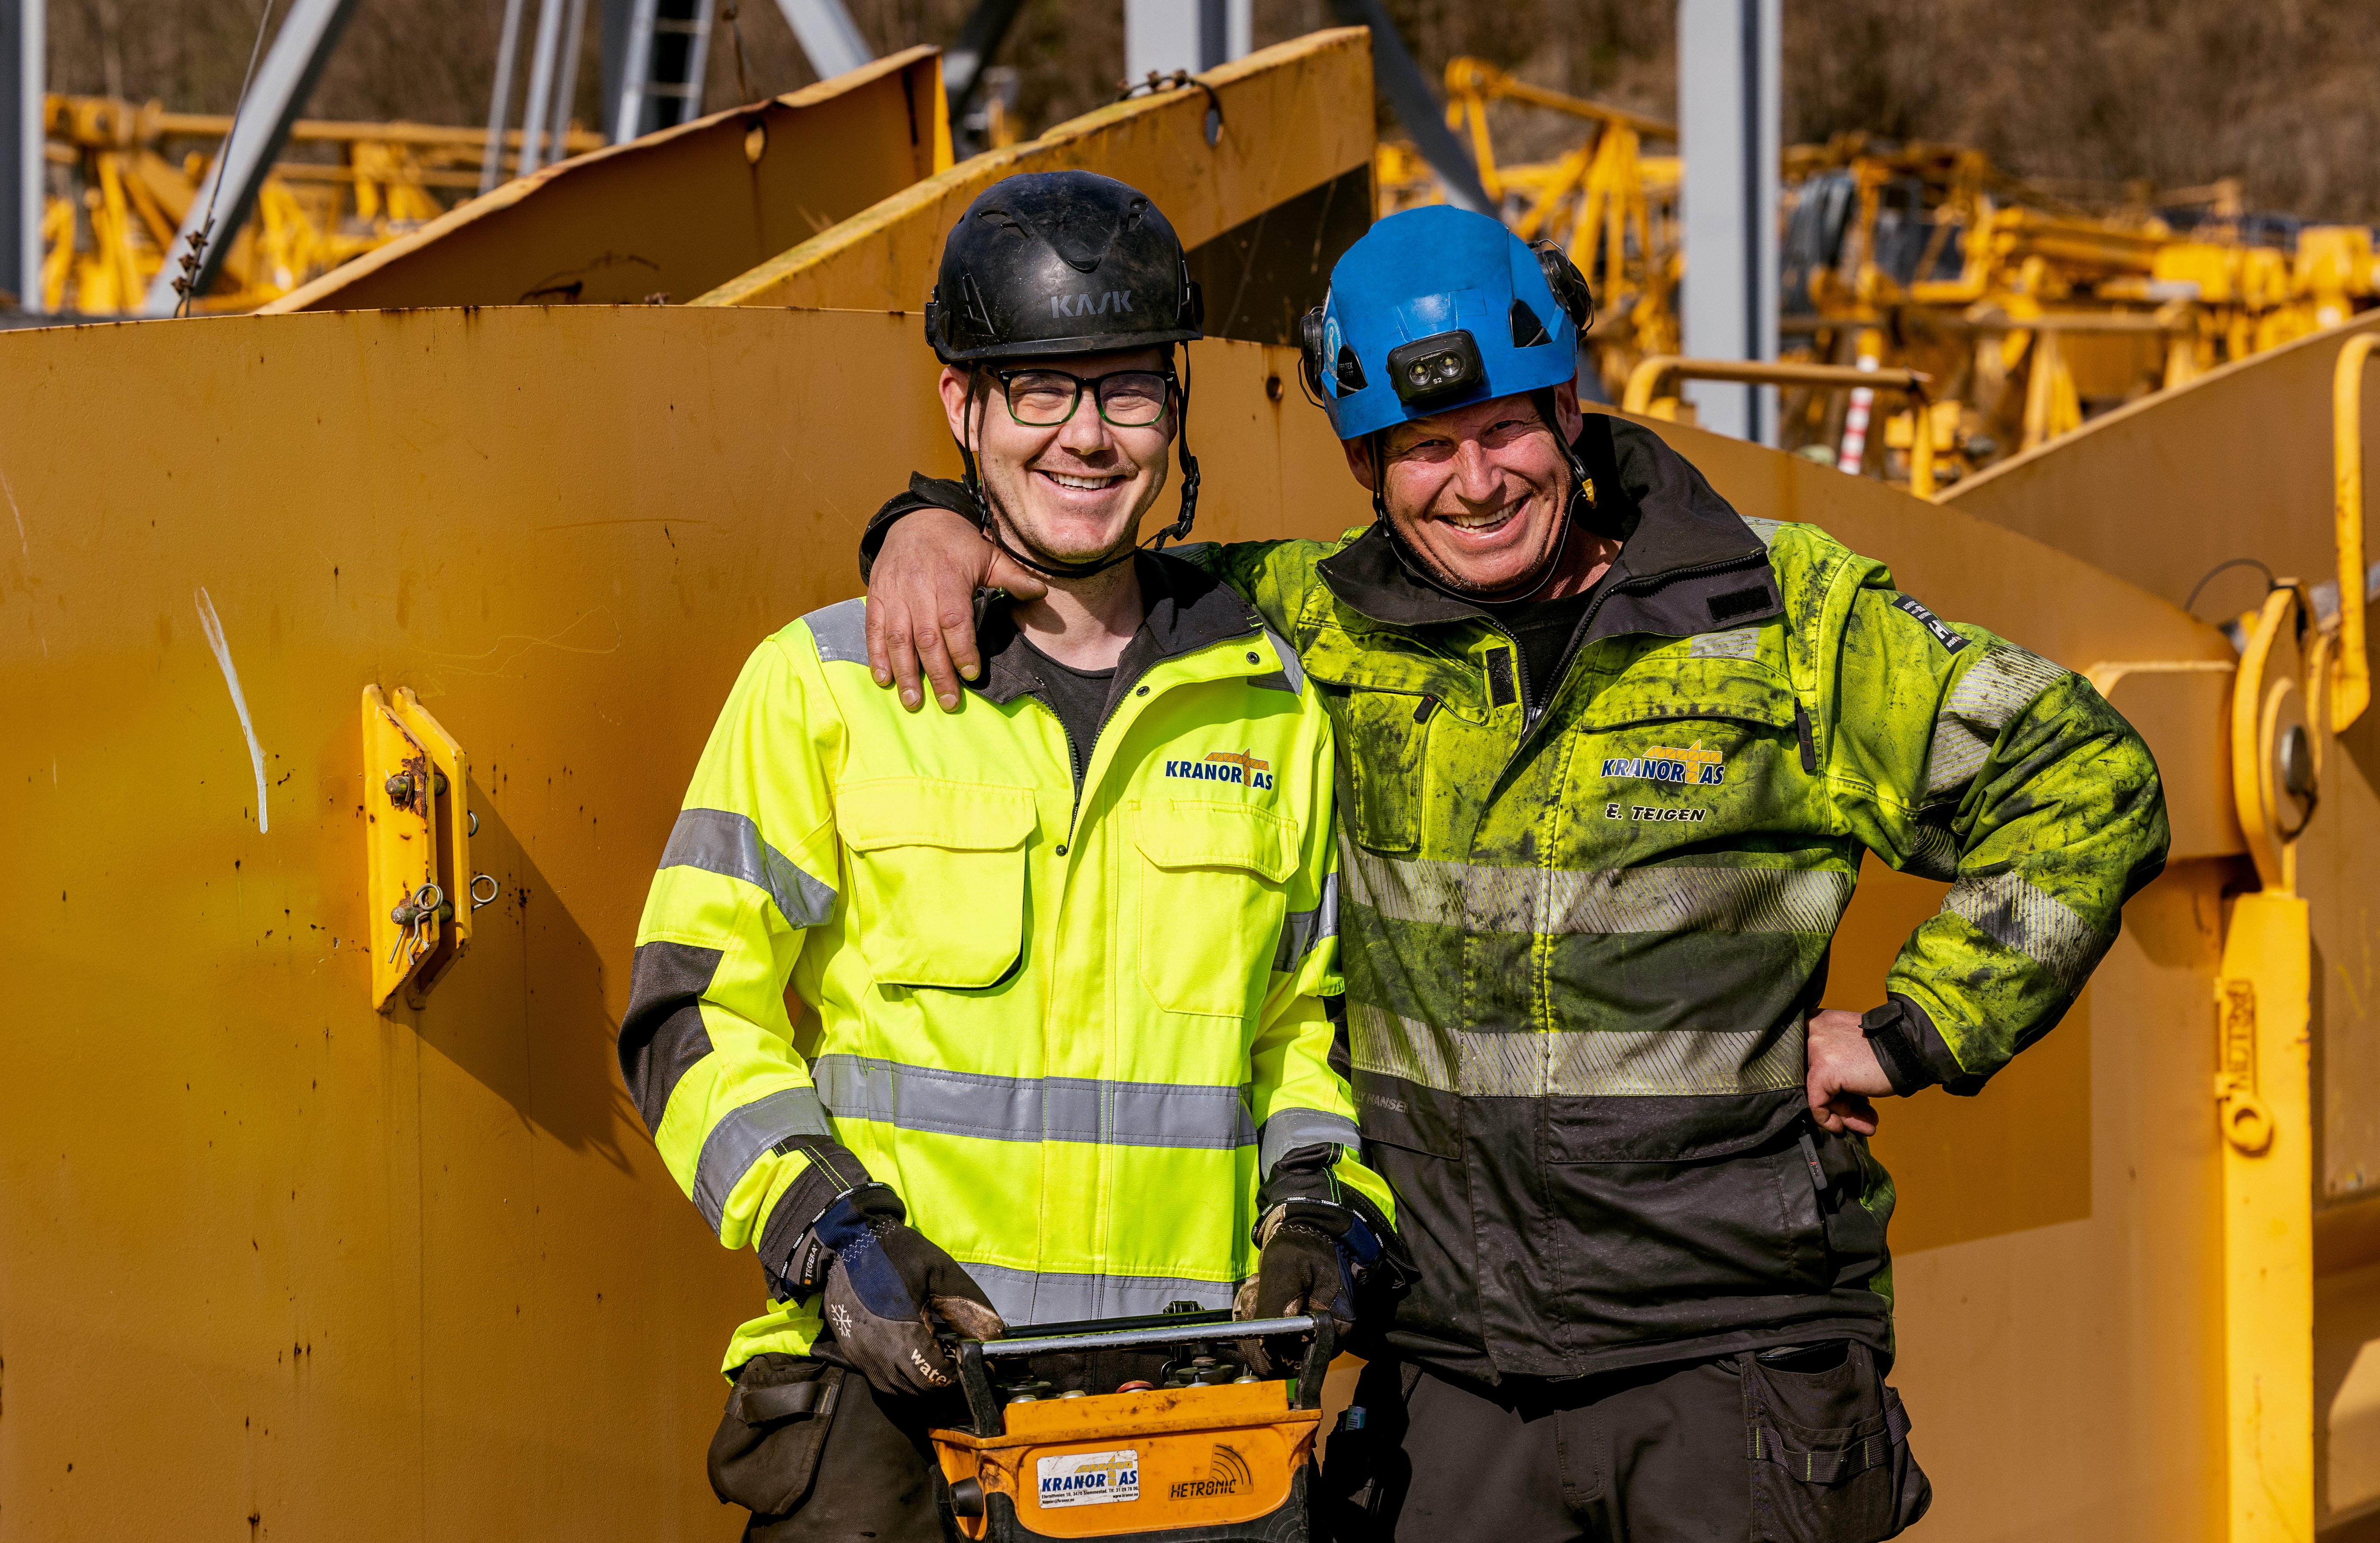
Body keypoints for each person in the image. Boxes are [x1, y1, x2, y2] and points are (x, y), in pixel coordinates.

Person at [857, 205, 2169, 1542]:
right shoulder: (1299, 632)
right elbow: (1088, 569)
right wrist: (933, 525)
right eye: (1425, 448)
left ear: (1568, 408)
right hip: (1450, 1383)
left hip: (1734, 1358)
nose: (1474, 482)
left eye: (1503, 431)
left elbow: (2086, 778)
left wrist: (1919, 1028)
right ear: (1366, 465)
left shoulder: (1778, 615)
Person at [617, 169, 1397, 1542]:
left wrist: (1319, 1209)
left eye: (1129, 393)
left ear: (1173, 414)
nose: (1087, 437)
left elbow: (1300, 1034)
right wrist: (830, 1232)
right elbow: (689, 1013)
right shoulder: (826, 685)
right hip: (890, 1410)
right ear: (961, 406)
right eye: (1040, 390)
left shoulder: (1269, 706)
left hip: (1177, 1414)